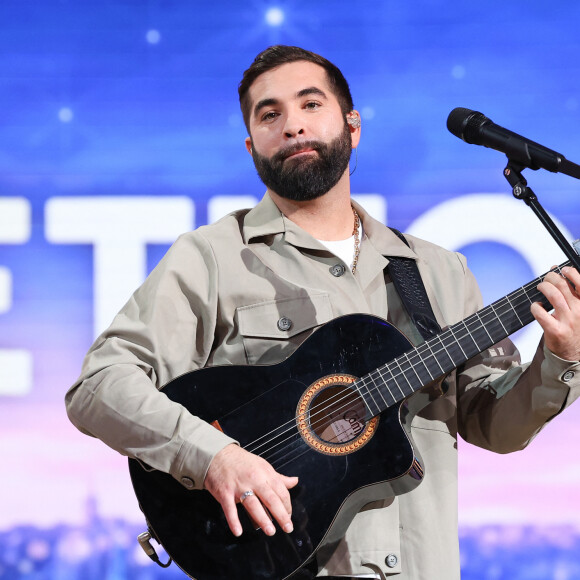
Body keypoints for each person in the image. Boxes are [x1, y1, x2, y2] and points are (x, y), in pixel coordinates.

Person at [65, 45, 580, 579]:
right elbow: (100, 385)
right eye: (270, 114)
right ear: (251, 146)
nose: (291, 126)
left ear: (352, 127)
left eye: (311, 104)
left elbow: (495, 426)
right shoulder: (212, 257)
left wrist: (562, 358)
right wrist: (214, 456)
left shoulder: (438, 271)